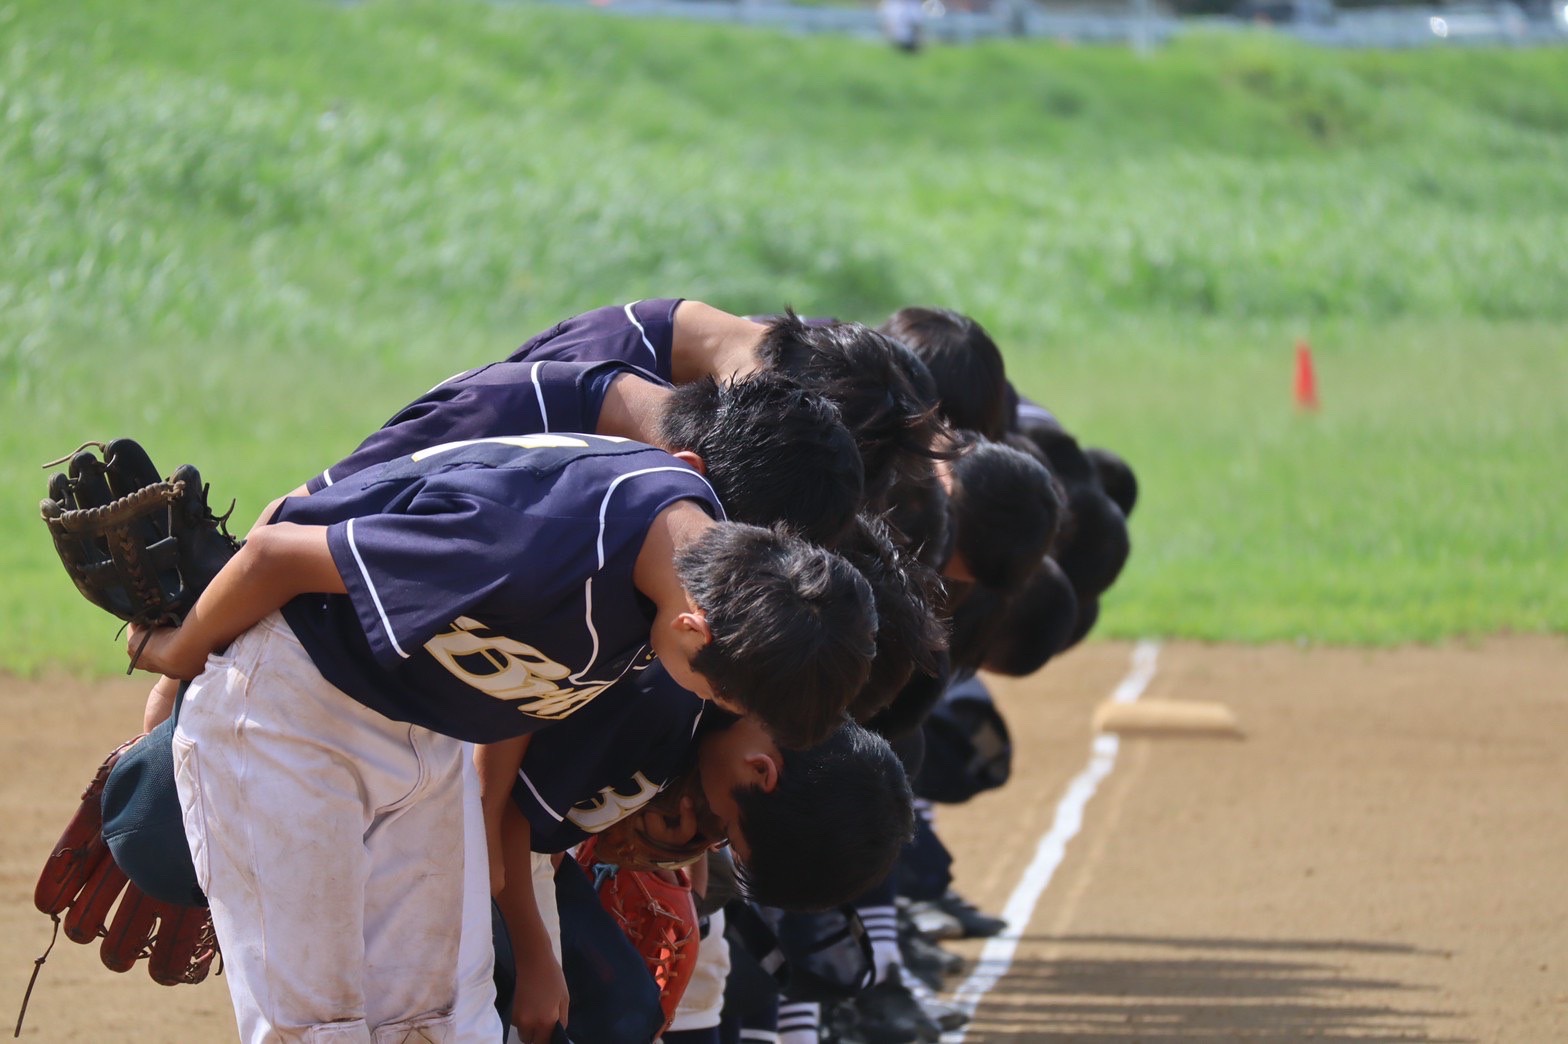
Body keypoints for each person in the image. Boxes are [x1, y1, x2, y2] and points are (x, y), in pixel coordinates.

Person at [125, 434, 877, 1044]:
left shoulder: (698, 553)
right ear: (694, 629)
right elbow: (278, 553)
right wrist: (174, 661)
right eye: (720, 692)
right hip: (297, 713)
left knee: (447, 1023)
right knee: (317, 1028)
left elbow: (521, 688)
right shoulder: (538, 548)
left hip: (430, 732)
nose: (711, 708)